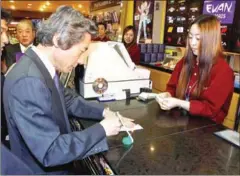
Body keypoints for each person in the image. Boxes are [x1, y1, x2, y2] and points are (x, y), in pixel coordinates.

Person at [3, 6, 134, 174]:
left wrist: (105, 113)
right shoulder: (29, 81)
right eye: (81, 51)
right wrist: (103, 129)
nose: (80, 61)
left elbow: (67, 99)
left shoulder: (40, 66)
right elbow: (51, 151)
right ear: (58, 40)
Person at [156, 14, 234, 124]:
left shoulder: (223, 71)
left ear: (211, 41)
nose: (192, 43)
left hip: (206, 130)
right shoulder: (184, 62)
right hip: (181, 122)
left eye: (198, 38)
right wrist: (167, 95)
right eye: (190, 37)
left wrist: (179, 103)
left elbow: (209, 109)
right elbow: (172, 88)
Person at [1, 8, 35, 175]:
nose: (24, 35)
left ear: (33, 34)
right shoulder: (8, 50)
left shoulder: (40, 51)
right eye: (20, 32)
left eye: (27, 31)